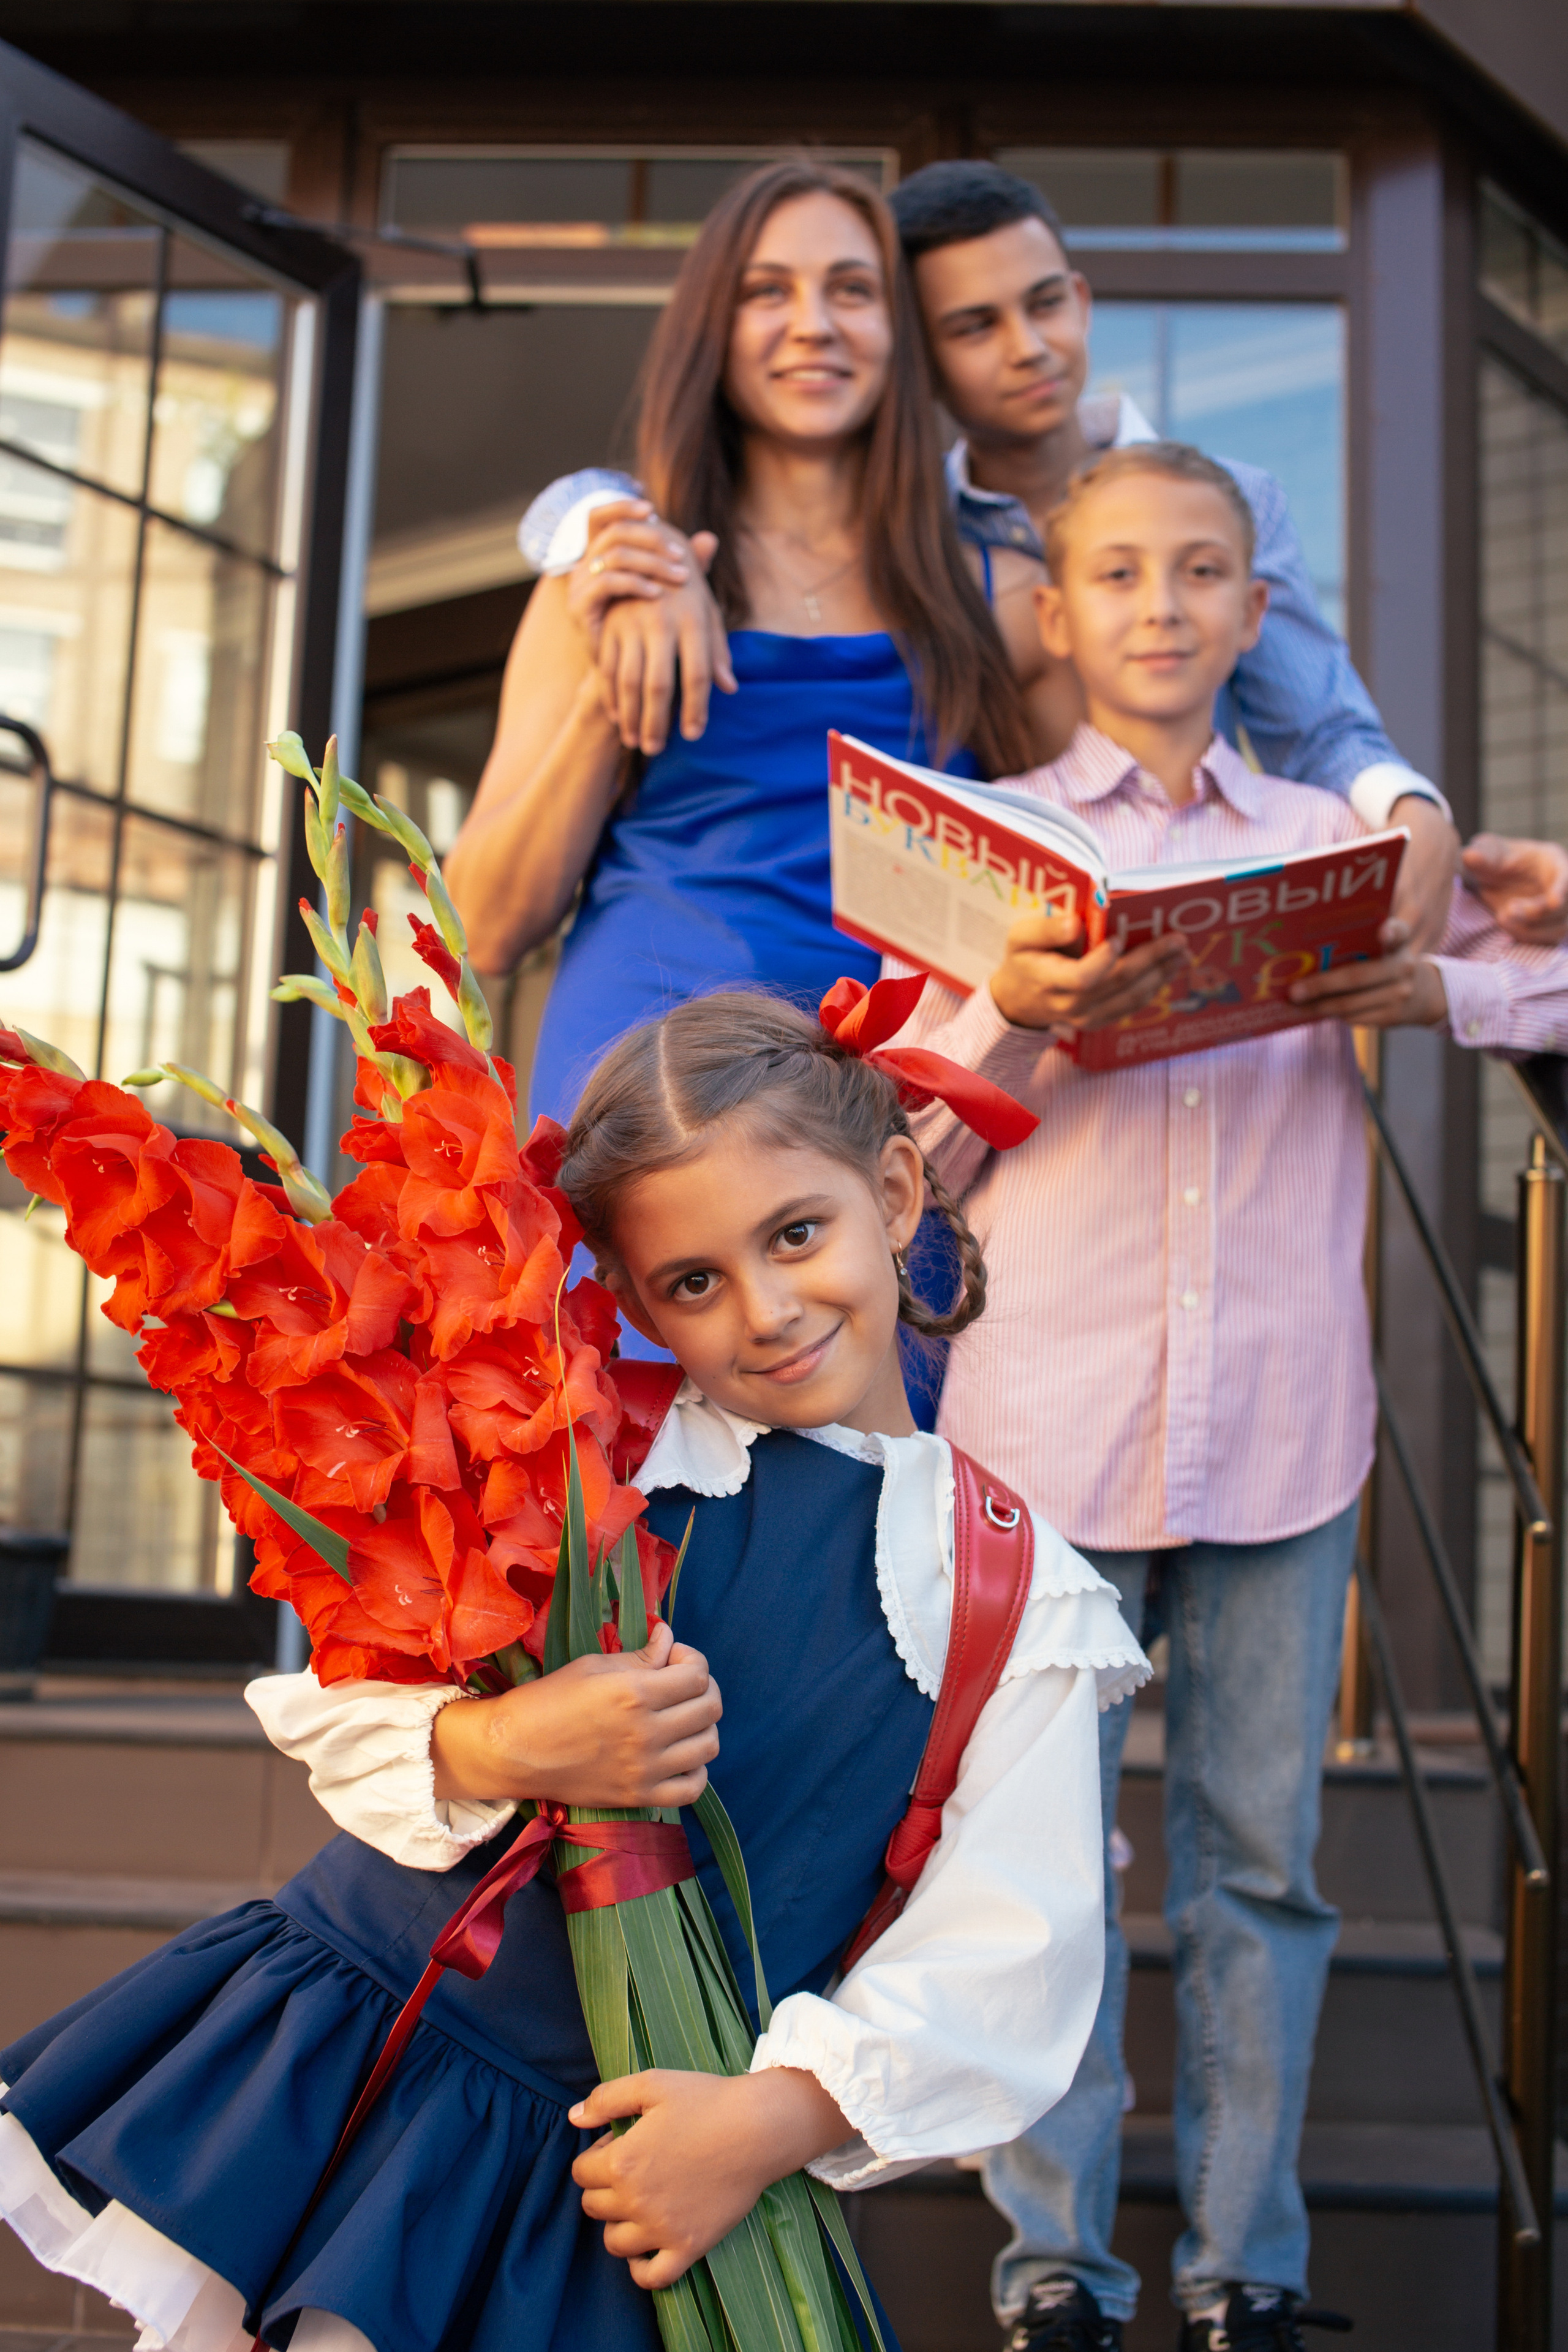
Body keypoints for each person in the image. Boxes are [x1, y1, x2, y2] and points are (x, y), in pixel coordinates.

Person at [0, 987, 1149, 2352]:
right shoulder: (574, 1448)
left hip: (646, 2174)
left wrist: (767, 2123)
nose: (769, 1309)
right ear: (631, 1295)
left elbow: (1012, 1944)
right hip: (382, 2055)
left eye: (797, 1234)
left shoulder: (1017, 1594)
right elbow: (341, 1715)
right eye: (692, 1284)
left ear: (894, 1193)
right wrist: (502, 1746)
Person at [879, 441, 1568, 2352]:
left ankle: (1248, 2273)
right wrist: (1019, 1013)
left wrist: (1448, 995)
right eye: (1118, 573)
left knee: (1264, 1868)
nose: (1162, 606)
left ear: (1260, 614)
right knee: (1041, 1874)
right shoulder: (987, 852)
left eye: (1201, 572)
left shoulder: (1347, 852)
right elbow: (902, 1165)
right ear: (1055, 611)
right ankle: (1053, 2274)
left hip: (1283, 1429)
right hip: (1046, 1435)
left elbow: (1553, 976)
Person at [528, 159, 1568, 957]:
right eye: (974, 326)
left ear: (1080, 296)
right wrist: (612, 528)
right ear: (915, 356)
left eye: (1043, 304)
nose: (1026, 347)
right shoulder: (916, 538)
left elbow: (1320, 729)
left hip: (1186, 906)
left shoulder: (1227, 504)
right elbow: (596, 500)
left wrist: (1416, 814)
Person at [444, 158, 1048, 1140]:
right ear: (712, 331)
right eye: (768, 291)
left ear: (899, 333)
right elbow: (482, 930)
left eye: (851, 290)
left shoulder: (1004, 597)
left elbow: (1094, 855)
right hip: (646, 1101)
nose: (813, 324)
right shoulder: (612, 576)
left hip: (888, 1111)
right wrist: (610, 683)